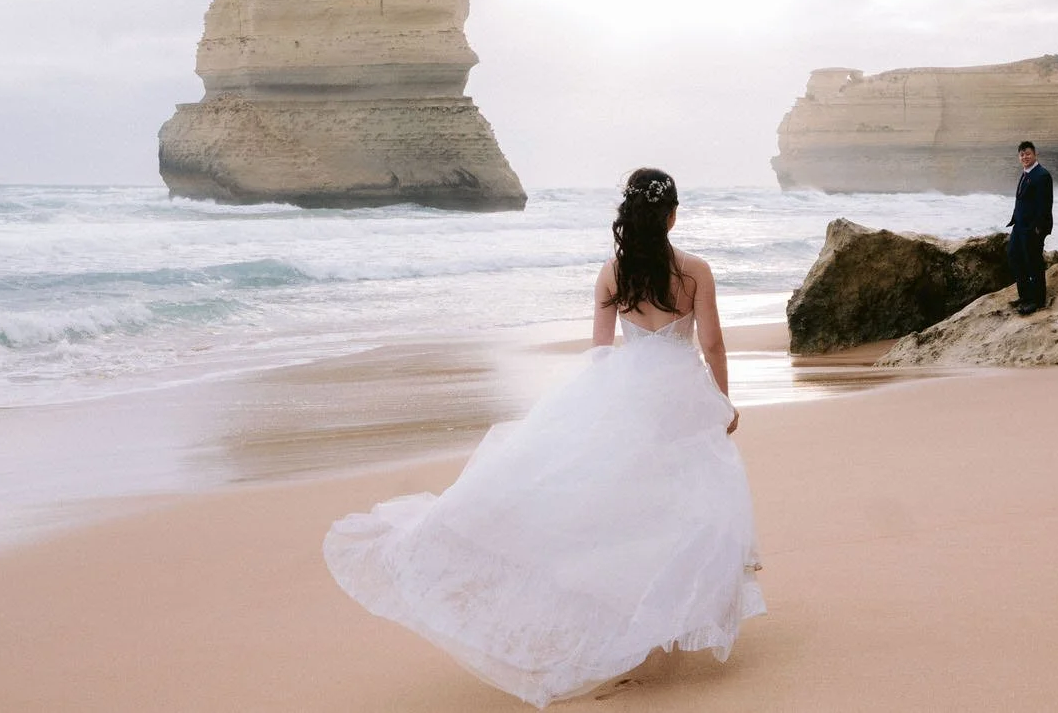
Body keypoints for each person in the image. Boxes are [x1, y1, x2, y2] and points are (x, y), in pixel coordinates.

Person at [322, 168, 765, 707]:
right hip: (679, 397)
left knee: (618, 507)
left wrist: (596, 411)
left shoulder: (611, 273)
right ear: (672, 214)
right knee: (684, 505)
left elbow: (601, 352)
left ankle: (627, 618)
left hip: (627, 396)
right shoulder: (694, 272)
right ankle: (662, 616)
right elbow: (713, 345)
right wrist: (722, 401)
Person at [1008, 140, 1055, 314]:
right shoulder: (1026, 173)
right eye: (1022, 154)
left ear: (1035, 154)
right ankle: (1025, 296)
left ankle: (1038, 300)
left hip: (1033, 228)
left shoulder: (1042, 175)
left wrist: (1038, 228)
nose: (1024, 157)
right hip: (1019, 226)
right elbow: (1021, 199)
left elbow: (1045, 205)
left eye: (1028, 154)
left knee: (1033, 262)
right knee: (1014, 257)